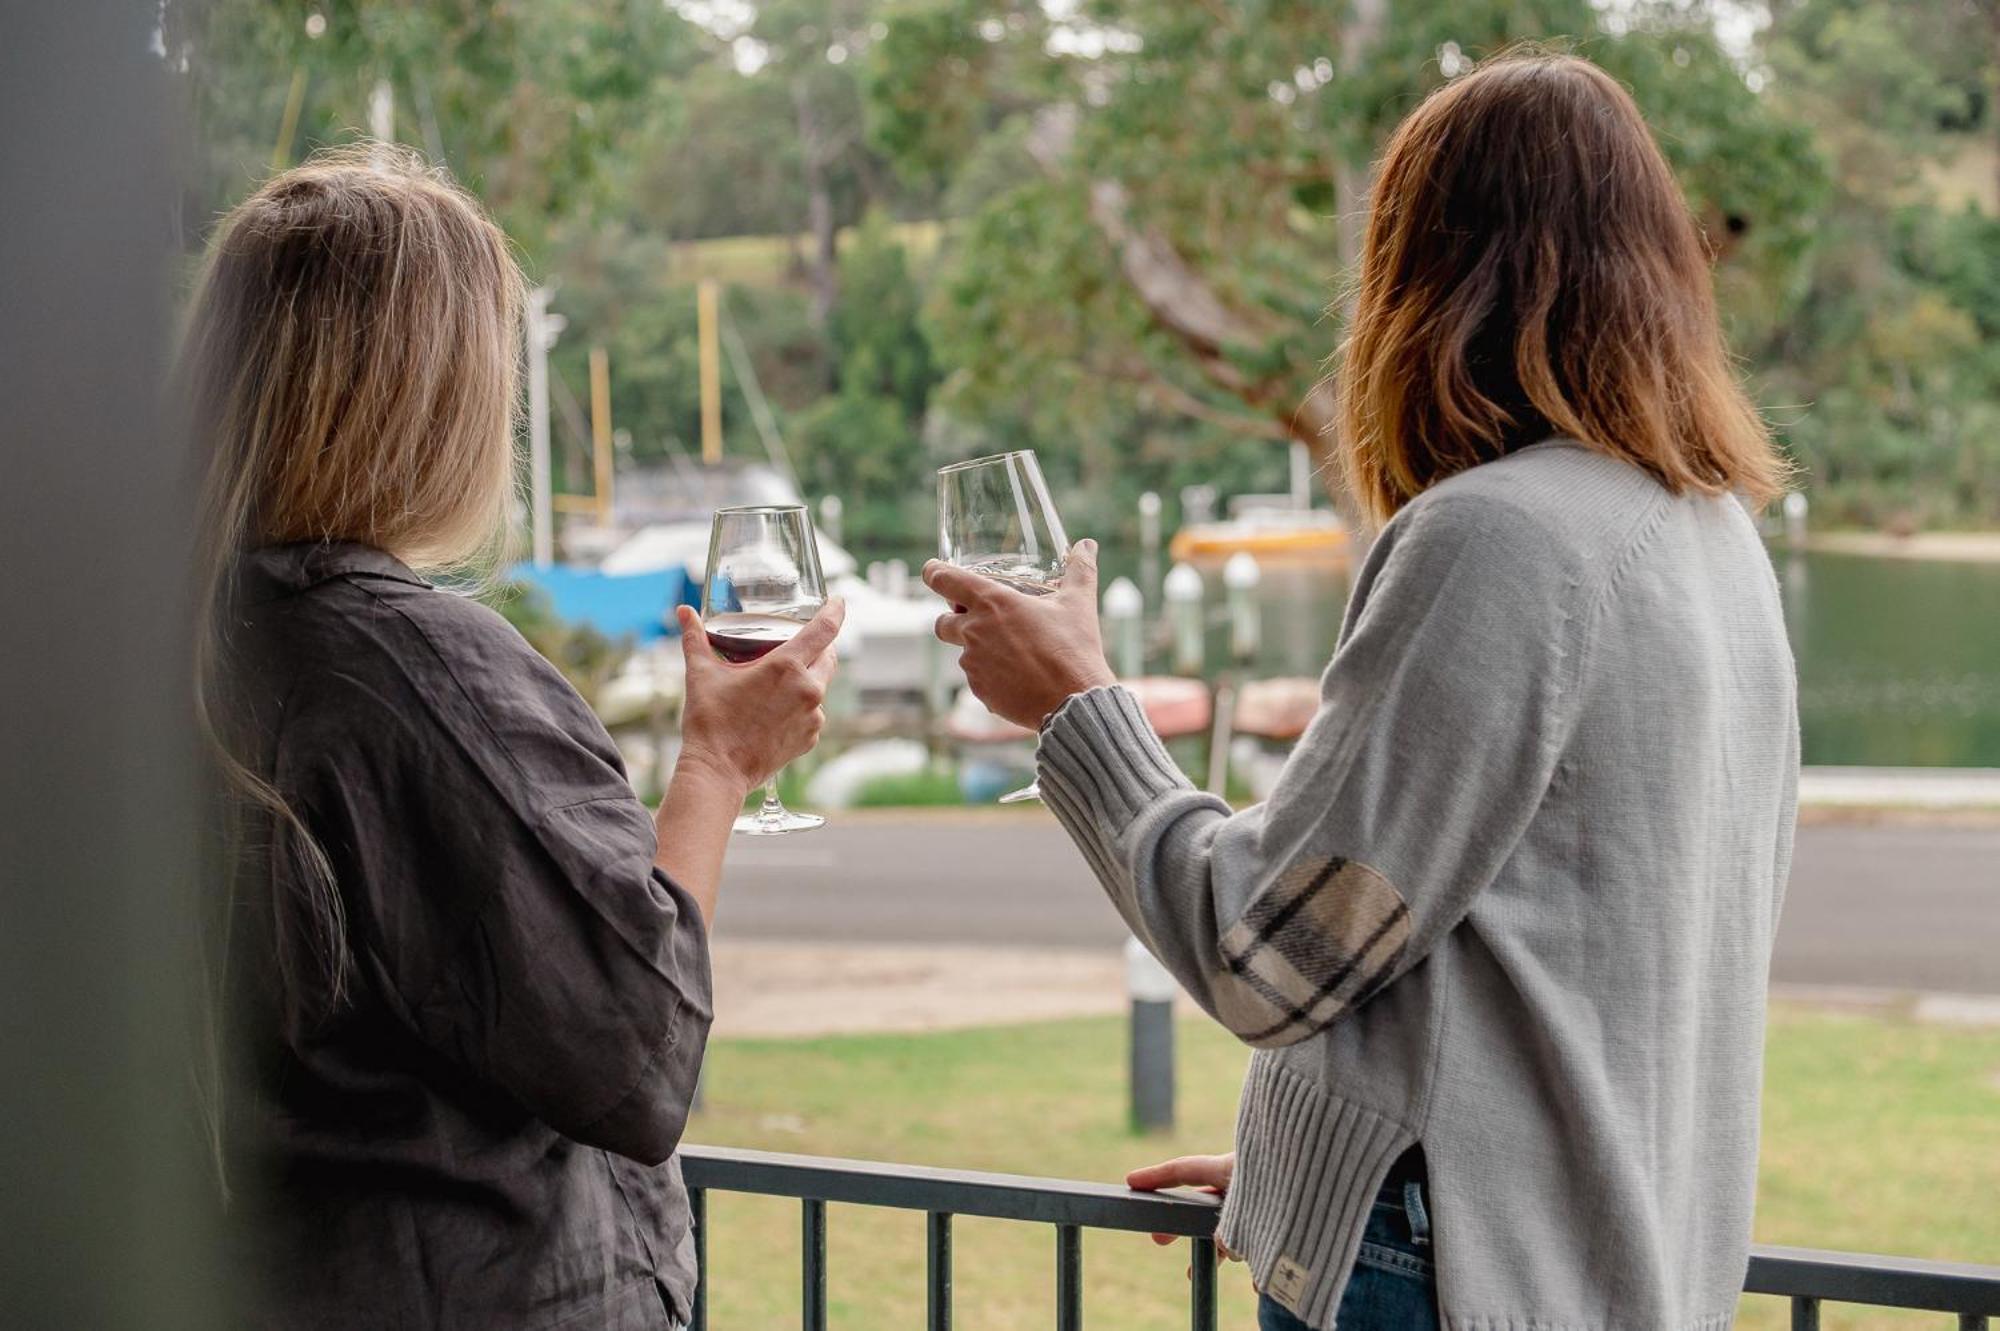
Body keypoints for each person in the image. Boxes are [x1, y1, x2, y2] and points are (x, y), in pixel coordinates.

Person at [925, 51, 1798, 1331]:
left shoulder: (1497, 540)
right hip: (1596, 1262)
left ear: (1422, 277)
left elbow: (1267, 950)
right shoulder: (1712, 537)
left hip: (1456, 1281)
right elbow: (1555, 946)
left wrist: (1077, 707)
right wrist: (1333, 1167)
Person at [184, 146, 840, 1328]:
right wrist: (716, 766)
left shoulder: (166, 640)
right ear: (435, 395)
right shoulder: (414, 667)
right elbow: (633, 1053)